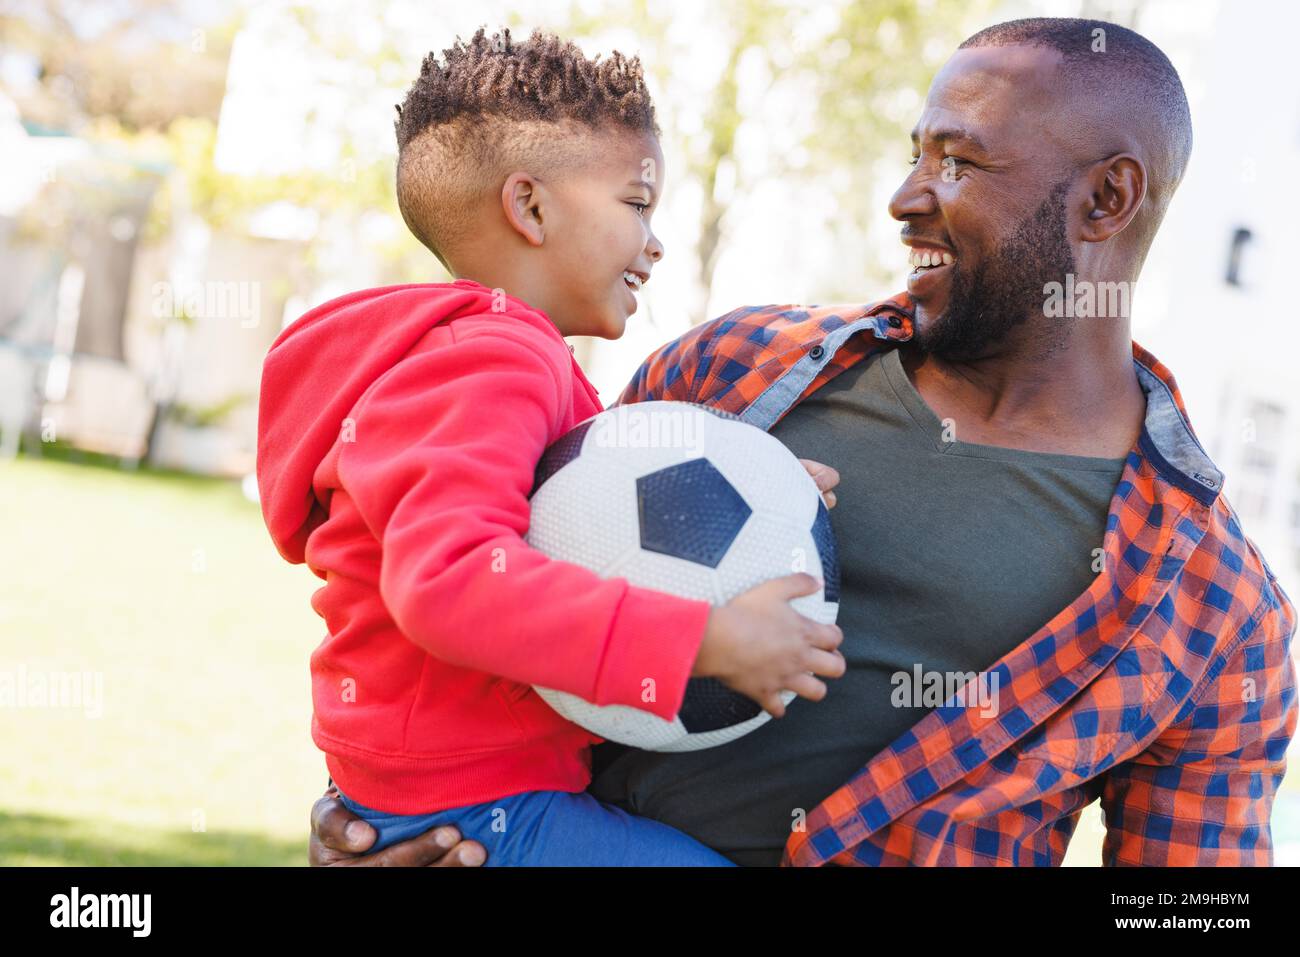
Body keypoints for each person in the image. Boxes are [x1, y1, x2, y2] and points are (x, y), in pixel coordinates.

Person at [309, 17, 1297, 867]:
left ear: (1107, 199)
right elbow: (462, 580)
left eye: (957, 161)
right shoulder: (728, 370)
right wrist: (383, 813)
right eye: (915, 154)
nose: (906, 196)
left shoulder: (1215, 608)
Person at [255, 26, 846, 867]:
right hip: (477, 812)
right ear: (529, 205)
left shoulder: (484, 355)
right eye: (636, 204)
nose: (656, 241)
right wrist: (700, 641)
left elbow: (577, 521)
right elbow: (450, 582)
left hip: (461, 794)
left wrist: (769, 486)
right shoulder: (493, 360)